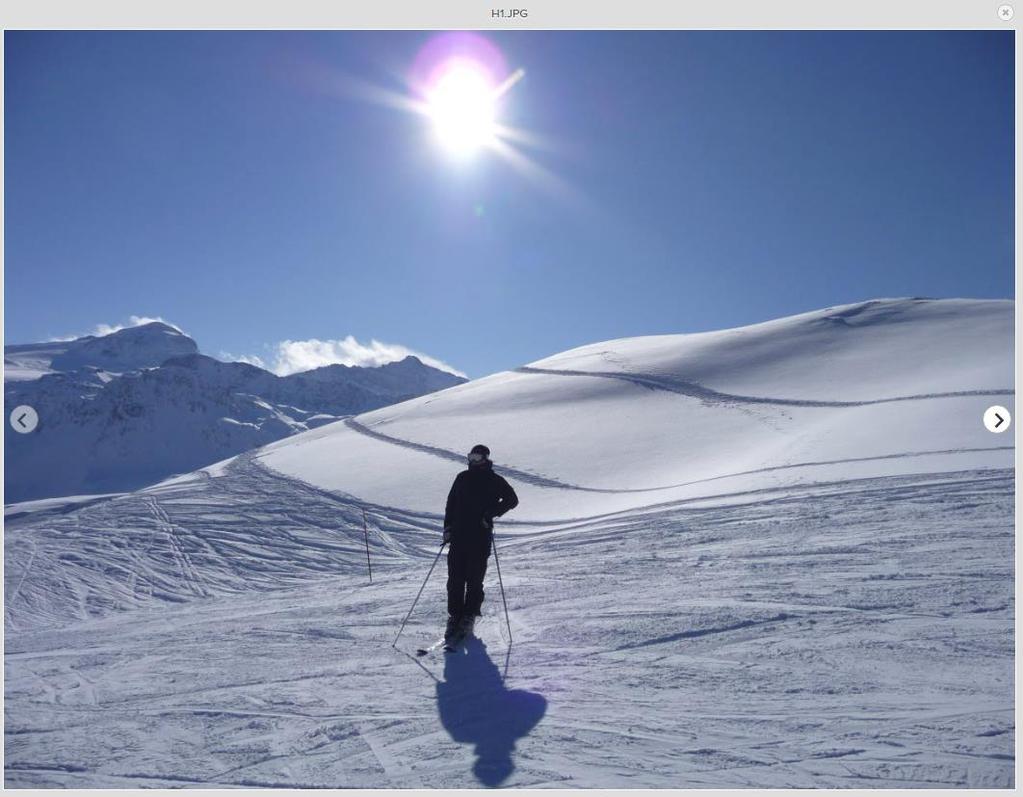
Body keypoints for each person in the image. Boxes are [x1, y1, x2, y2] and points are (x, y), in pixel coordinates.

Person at [442, 444, 519, 642]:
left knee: (474, 580)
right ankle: (455, 616)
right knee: (455, 580)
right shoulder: (462, 478)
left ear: (485, 458)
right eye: (470, 456)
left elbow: (512, 499)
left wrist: (491, 513)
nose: (472, 461)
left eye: (476, 457)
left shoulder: (494, 480)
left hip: (480, 537)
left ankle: (469, 615)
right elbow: (451, 503)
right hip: (458, 536)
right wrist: (447, 528)